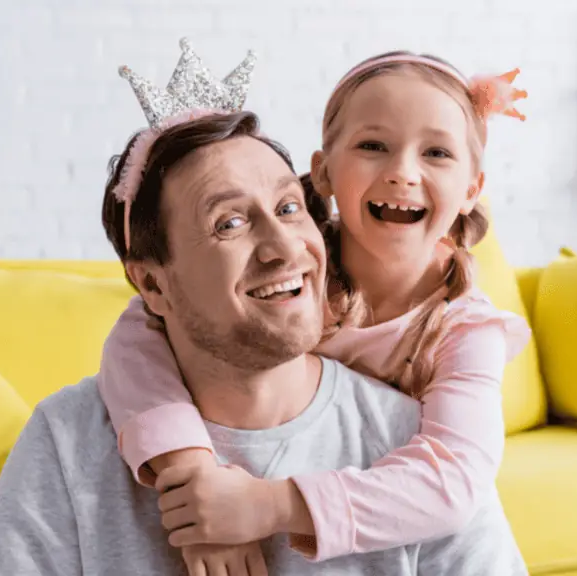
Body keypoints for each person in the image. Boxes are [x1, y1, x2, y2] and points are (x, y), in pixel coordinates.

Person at [0, 108, 524, 575]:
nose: (284, 248)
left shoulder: (409, 446)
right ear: (153, 284)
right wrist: (188, 471)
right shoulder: (67, 443)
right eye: (230, 224)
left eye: (289, 208)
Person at [97, 47, 532, 571]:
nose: (403, 172)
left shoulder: (466, 331)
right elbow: (137, 332)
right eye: (373, 145)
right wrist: (192, 475)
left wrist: (267, 506)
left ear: (472, 190)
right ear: (322, 173)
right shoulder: (288, 276)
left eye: (436, 153)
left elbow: (453, 480)